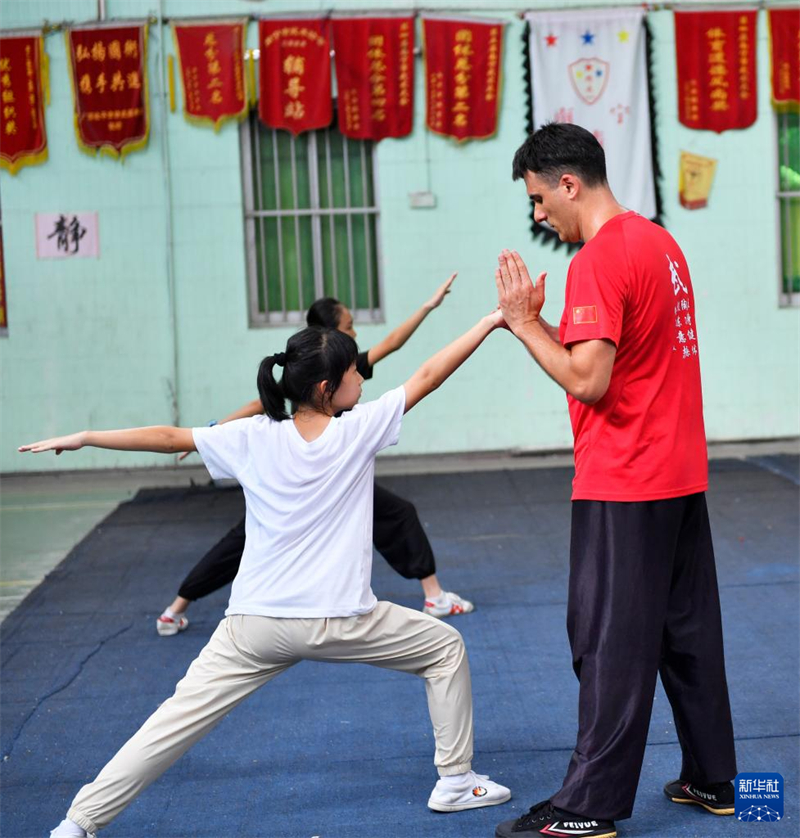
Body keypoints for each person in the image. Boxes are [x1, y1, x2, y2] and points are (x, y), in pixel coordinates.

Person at [21, 317, 511, 838]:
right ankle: (455, 781)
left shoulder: (252, 435)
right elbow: (429, 375)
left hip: (253, 626)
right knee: (445, 649)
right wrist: (491, 321)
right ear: (327, 387)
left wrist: (86, 437)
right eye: (353, 371)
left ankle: (77, 824)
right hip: (339, 621)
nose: (361, 378)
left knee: (171, 722)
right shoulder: (359, 429)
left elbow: (168, 437)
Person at [492, 123, 737, 838]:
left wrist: (524, 325)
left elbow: (588, 380)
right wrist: (540, 323)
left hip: (624, 481)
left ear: (569, 184)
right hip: (678, 475)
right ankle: (714, 779)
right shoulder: (659, 242)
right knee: (687, 634)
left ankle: (587, 809)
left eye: (539, 199)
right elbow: (625, 358)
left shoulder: (598, 259)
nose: (539, 214)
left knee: (607, 643)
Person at [157, 274, 473, 638]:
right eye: (348, 327)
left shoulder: (342, 371)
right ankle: (177, 606)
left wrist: (428, 307)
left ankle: (434, 595)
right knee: (244, 538)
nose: (354, 334)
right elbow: (258, 405)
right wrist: (208, 434)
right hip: (305, 474)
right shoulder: (315, 374)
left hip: (333, 472)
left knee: (396, 513)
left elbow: (394, 343)